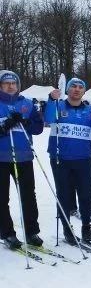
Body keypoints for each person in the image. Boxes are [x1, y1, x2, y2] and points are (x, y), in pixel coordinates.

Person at [44, 77, 91, 244]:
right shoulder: (58, 106)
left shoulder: (89, 110)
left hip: (83, 159)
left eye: (80, 87)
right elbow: (48, 119)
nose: (77, 89)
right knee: (63, 194)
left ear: (84, 91)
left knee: (85, 194)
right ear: (68, 90)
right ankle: (67, 228)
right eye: (73, 87)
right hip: (60, 158)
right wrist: (51, 100)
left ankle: (86, 227)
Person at [0, 70, 45, 249]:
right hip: (2, 158)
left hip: (23, 156)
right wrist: (5, 126)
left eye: (14, 83)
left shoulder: (26, 103)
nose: (11, 86)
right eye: (6, 83)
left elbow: (38, 127)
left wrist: (26, 123)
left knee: (28, 195)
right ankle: (7, 233)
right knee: (2, 197)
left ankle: (31, 231)